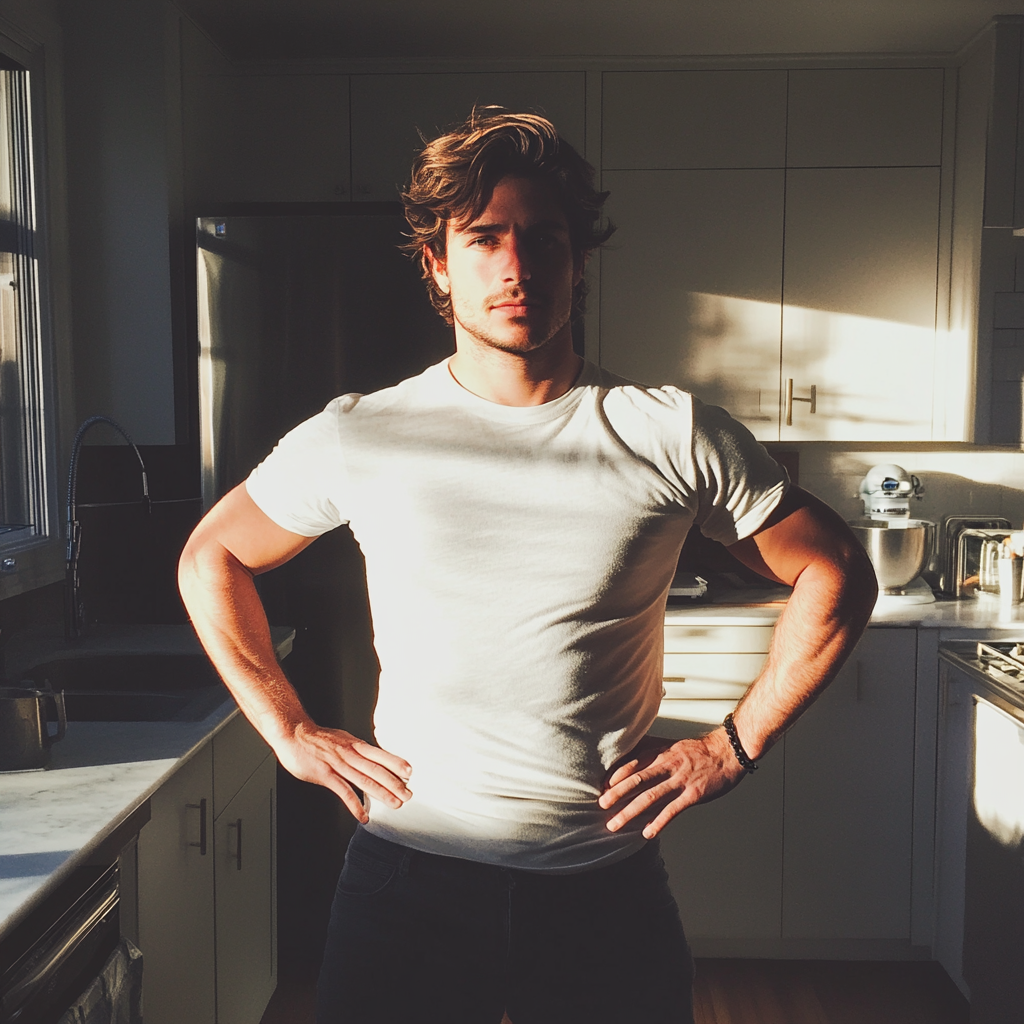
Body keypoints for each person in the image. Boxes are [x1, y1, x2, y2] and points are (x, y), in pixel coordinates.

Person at [178, 109, 878, 1024]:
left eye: (545, 239)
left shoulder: (669, 432)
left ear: (579, 262)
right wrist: (288, 731)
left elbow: (837, 575)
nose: (517, 266)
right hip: (405, 886)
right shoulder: (364, 433)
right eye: (483, 239)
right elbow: (212, 555)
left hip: (602, 894)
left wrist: (731, 747)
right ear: (437, 264)